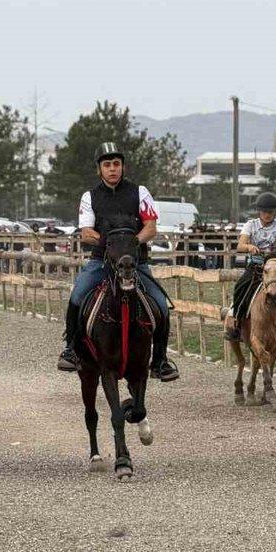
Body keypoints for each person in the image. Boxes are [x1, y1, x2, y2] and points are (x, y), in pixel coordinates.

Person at [56, 142, 179, 382]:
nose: (112, 169)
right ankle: (71, 349)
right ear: (99, 169)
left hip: (136, 263)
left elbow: (151, 228)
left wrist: (131, 245)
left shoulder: (139, 192)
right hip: (101, 262)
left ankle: (160, 361)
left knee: (162, 306)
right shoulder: (89, 196)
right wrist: (112, 246)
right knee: (77, 296)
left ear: (122, 166)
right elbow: (86, 232)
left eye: (116, 164)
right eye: (107, 164)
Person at [224, 192, 276, 351]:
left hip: (274, 269)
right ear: (259, 212)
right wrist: (249, 247)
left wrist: (272, 256)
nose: (268, 215)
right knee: (240, 287)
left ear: (275, 212)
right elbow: (240, 245)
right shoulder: (250, 225)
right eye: (264, 212)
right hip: (255, 267)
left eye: (271, 212)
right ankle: (237, 325)